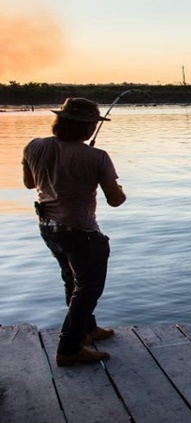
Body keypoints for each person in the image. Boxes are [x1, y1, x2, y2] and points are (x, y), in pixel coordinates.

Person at [22, 98, 127, 366]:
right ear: (90, 128)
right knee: (88, 289)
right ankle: (69, 348)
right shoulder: (97, 156)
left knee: (72, 280)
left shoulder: (33, 146)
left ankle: (87, 330)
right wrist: (119, 187)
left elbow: (28, 183)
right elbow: (115, 200)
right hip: (82, 232)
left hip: (49, 229)